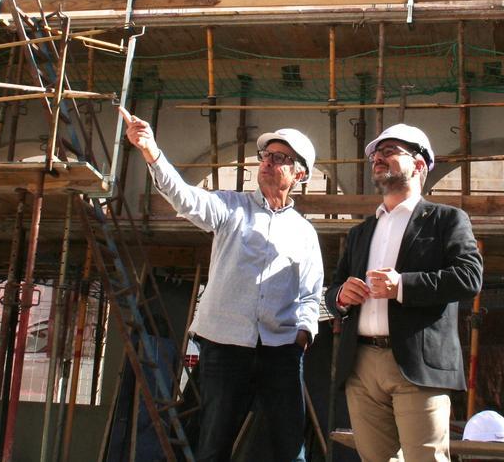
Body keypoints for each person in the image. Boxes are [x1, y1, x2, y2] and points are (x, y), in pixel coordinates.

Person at [125, 112, 323, 462]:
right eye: (265, 156)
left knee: (290, 446)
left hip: (281, 351)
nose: (267, 163)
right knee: (214, 442)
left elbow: (310, 293)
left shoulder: (305, 232)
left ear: (300, 173)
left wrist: (303, 334)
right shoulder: (230, 208)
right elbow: (186, 198)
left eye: (280, 158)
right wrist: (152, 151)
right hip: (225, 348)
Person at [325, 123, 483, 462]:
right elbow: (332, 290)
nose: (378, 158)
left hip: (415, 363)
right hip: (361, 365)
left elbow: (469, 277)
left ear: (420, 165)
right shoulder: (360, 232)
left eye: (390, 151)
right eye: (375, 154)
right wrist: (341, 296)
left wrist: (402, 286)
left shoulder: (446, 220)